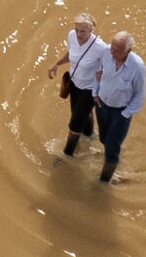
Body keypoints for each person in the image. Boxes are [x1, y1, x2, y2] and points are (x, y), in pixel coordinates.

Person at [87, 30, 146, 185]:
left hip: (120, 112)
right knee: (103, 139)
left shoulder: (138, 67)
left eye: (117, 50)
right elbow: (98, 73)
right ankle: (112, 156)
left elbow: (140, 95)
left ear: (128, 51)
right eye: (112, 47)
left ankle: (103, 182)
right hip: (102, 105)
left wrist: (125, 114)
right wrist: (95, 93)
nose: (112, 52)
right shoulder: (106, 52)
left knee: (112, 147)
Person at [45, 13, 104, 159]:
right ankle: (90, 134)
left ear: (91, 31)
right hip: (75, 83)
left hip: (90, 89)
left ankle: (67, 154)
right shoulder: (71, 36)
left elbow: (109, 68)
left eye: (83, 31)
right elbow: (71, 54)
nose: (79, 33)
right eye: (77, 29)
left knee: (74, 124)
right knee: (80, 114)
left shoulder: (100, 48)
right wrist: (57, 63)